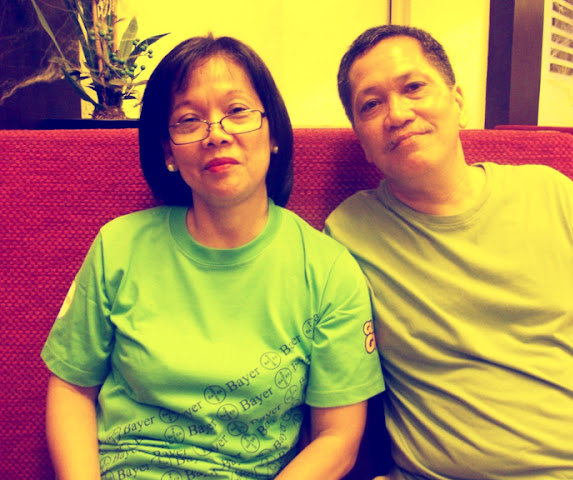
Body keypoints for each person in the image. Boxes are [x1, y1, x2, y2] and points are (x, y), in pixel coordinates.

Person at [42, 34, 385, 480]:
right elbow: (72, 389)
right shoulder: (118, 247)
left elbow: (337, 440)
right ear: (168, 150)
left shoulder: (328, 270)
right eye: (189, 120)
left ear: (274, 133)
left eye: (237, 111)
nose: (216, 134)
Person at [325, 24, 573, 480]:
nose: (397, 114)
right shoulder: (347, 233)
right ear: (363, 141)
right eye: (371, 104)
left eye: (414, 87)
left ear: (458, 102)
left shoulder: (549, 192)